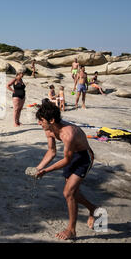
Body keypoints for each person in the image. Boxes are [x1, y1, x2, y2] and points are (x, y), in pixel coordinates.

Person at [34, 99, 97, 240]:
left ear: (51, 120)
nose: (39, 123)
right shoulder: (49, 130)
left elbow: (66, 160)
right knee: (72, 193)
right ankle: (93, 208)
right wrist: (38, 168)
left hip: (83, 157)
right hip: (71, 155)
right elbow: (51, 152)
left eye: (41, 120)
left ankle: (71, 230)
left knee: (68, 192)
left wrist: (46, 171)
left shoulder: (68, 134)